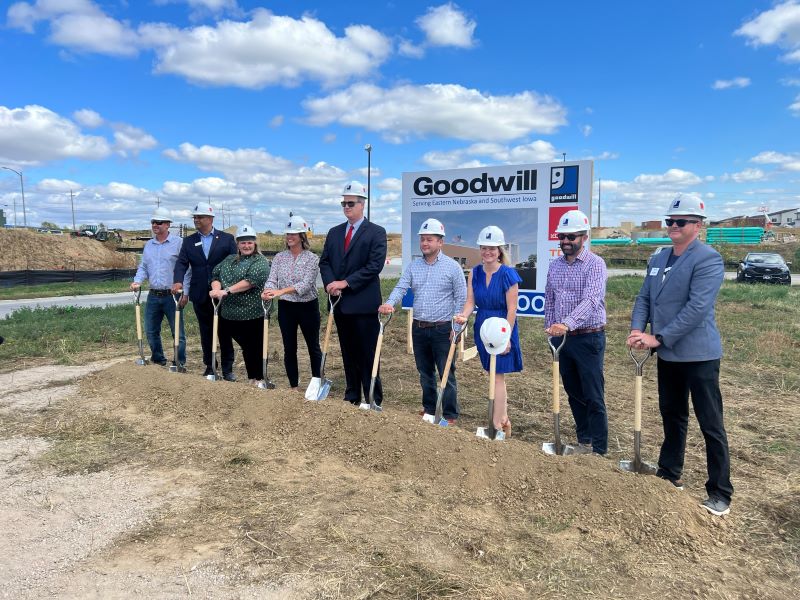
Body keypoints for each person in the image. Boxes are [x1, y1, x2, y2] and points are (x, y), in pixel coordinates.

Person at [627, 195, 733, 517]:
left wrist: (657, 337)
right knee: (672, 416)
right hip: (668, 356)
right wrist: (636, 330)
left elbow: (696, 309)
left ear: (698, 226)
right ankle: (670, 473)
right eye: (670, 221)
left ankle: (720, 492)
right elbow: (645, 297)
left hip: (698, 356)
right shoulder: (658, 257)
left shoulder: (708, 260)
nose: (673, 226)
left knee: (710, 423)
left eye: (681, 222)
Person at [379, 218, 467, 422]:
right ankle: (429, 409)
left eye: (429, 239)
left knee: (447, 372)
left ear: (440, 242)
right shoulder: (414, 266)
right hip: (418, 328)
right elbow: (401, 286)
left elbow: (460, 298)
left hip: (443, 329)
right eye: (422, 239)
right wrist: (390, 303)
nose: (425, 243)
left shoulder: (452, 267)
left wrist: (456, 328)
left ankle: (449, 414)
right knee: (425, 372)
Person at [544, 209, 608, 455]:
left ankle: (600, 450)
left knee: (593, 394)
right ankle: (585, 441)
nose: (566, 242)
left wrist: (567, 323)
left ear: (584, 237)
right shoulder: (555, 266)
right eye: (562, 237)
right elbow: (550, 298)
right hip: (562, 339)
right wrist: (551, 329)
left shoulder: (595, 264)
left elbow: (591, 299)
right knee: (573, 393)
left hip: (589, 337)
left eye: (572, 237)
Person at [319, 181, 387, 406]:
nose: (346, 207)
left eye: (350, 203)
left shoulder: (376, 232)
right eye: (343, 203)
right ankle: (352, 395)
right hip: (340, 304)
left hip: (364, 304)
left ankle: (371, 398)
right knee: (348, 353)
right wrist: (331, 284)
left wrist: (345, 283)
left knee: (367, 354)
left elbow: (374, 266)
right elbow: (325, 261)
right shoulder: (335, 232)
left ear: (362, 205)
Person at [455, 225, 522, 436]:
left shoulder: (508, 274)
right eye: (484, 247)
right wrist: (463, 316)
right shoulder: (474, 273)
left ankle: (495, 424)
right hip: (483, 326)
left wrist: (507, 336)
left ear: (500, 250)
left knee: (498, 375)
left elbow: (512, 308)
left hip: (502, 326)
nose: (488, 252)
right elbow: (469, 302)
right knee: (491, 373)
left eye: (492, 248)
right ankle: (504, 419)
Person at [172, 203, 237, 377]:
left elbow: (235, 263)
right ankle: (210, 367)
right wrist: (178, 281)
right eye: (195, 217)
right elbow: (182, 263)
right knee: (206, 332)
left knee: (224, 332)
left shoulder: (226, 239)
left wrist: (228, 287)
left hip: (222, 294)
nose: (196, 220)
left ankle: (227, 369)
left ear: (210, 219)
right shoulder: (189, 241)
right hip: (200, 294)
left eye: (200, 217)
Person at [261, 215, 322, 389]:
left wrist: (280, 291)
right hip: (287, 307)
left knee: (313, 346)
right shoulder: (280, 258)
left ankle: (316, 382)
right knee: (289, 347)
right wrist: (268, 290)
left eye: (293, 234)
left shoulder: (312, 258)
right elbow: (272, 279)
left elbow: (306, 284)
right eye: (288, 234)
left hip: (308, 306)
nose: (289, 237)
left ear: (302, 236)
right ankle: (293, 386)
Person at [210, 225, 270, 384]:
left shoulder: (261, 261)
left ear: (255, 243)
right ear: (237, 244)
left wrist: (226, 291)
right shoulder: (229, 260)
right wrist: (216, 289)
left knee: (255, 347)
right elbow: (215, 275)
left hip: (253, 313)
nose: (246, 246)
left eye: (249, 242)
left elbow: (250, 282)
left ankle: (259, 378)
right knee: (246, 347)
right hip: (229, 314)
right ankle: (252, 377)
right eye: (243, 243)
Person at [131, 207, 191, 368]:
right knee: (151, 331)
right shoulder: (149, 245)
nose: (155, 225)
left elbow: (186, 268)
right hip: (153, 295)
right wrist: (137, 281)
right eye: (153, 222)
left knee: (177, 332)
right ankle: (158, 360)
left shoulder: (179, 244)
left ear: (167, 225)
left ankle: (179, 362)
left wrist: (185, 292)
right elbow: (143, 267)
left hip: (173, 295)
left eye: (159, 222)